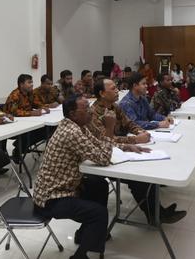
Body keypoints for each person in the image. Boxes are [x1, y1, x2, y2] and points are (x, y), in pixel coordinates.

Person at [33, 96, 148, 259]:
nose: (90, 112)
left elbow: (99, 142)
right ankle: (82, 254)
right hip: (52, 198)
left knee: (98, 185)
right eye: (86, 109)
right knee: (98, 213)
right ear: (73, 114)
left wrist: (126, 146)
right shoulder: (72, 132)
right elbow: (103, 158)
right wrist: (110, 127)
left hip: (66, 187)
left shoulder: (79, 126)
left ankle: (86, 235)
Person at [88, 79, 187, 224]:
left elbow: (130, 123)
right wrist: (135, 140)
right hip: (105, 155)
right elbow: (106, 141)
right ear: (102, 93)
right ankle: (154, 214)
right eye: (113, 88)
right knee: (139, 179)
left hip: (120, 150)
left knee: (148, 167)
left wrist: (141, 133)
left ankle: (157, 211)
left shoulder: (115, 107)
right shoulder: (94, 114)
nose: (117, 90)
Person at [4, 74, 49, 162]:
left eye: (32, 82)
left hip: (27, 121)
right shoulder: (15, 95)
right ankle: (18, 149)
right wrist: (31, 113)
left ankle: (20, 145)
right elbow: (14, 112)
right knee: (32, 132)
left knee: (44, 130)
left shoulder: (30, 92)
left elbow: (36, 102)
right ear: (21, 85)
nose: (32, 84)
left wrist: (44, 107)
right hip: (13, 124)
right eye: (29, 82)